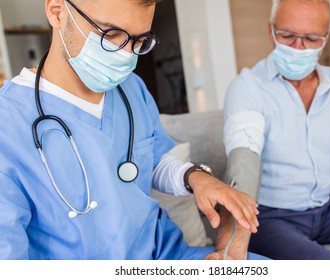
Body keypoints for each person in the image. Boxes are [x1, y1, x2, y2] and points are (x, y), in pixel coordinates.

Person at [0, 0, 268, 260]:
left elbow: (150, 159)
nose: (125, 53)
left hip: (166, 255)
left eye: (138, 41)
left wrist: (195, 177)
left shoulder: (131, 88)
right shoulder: (9, 123)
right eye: (111, 33)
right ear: (57, 12)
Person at [223, 0, 330, 260]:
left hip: (329, 208)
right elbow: (244, 160)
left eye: (310, 38)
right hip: (273, 218)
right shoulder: (247, 87)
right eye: (287, 35)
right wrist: (234, 238)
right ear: (271, 30)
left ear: (327, 37)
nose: (298, 47)